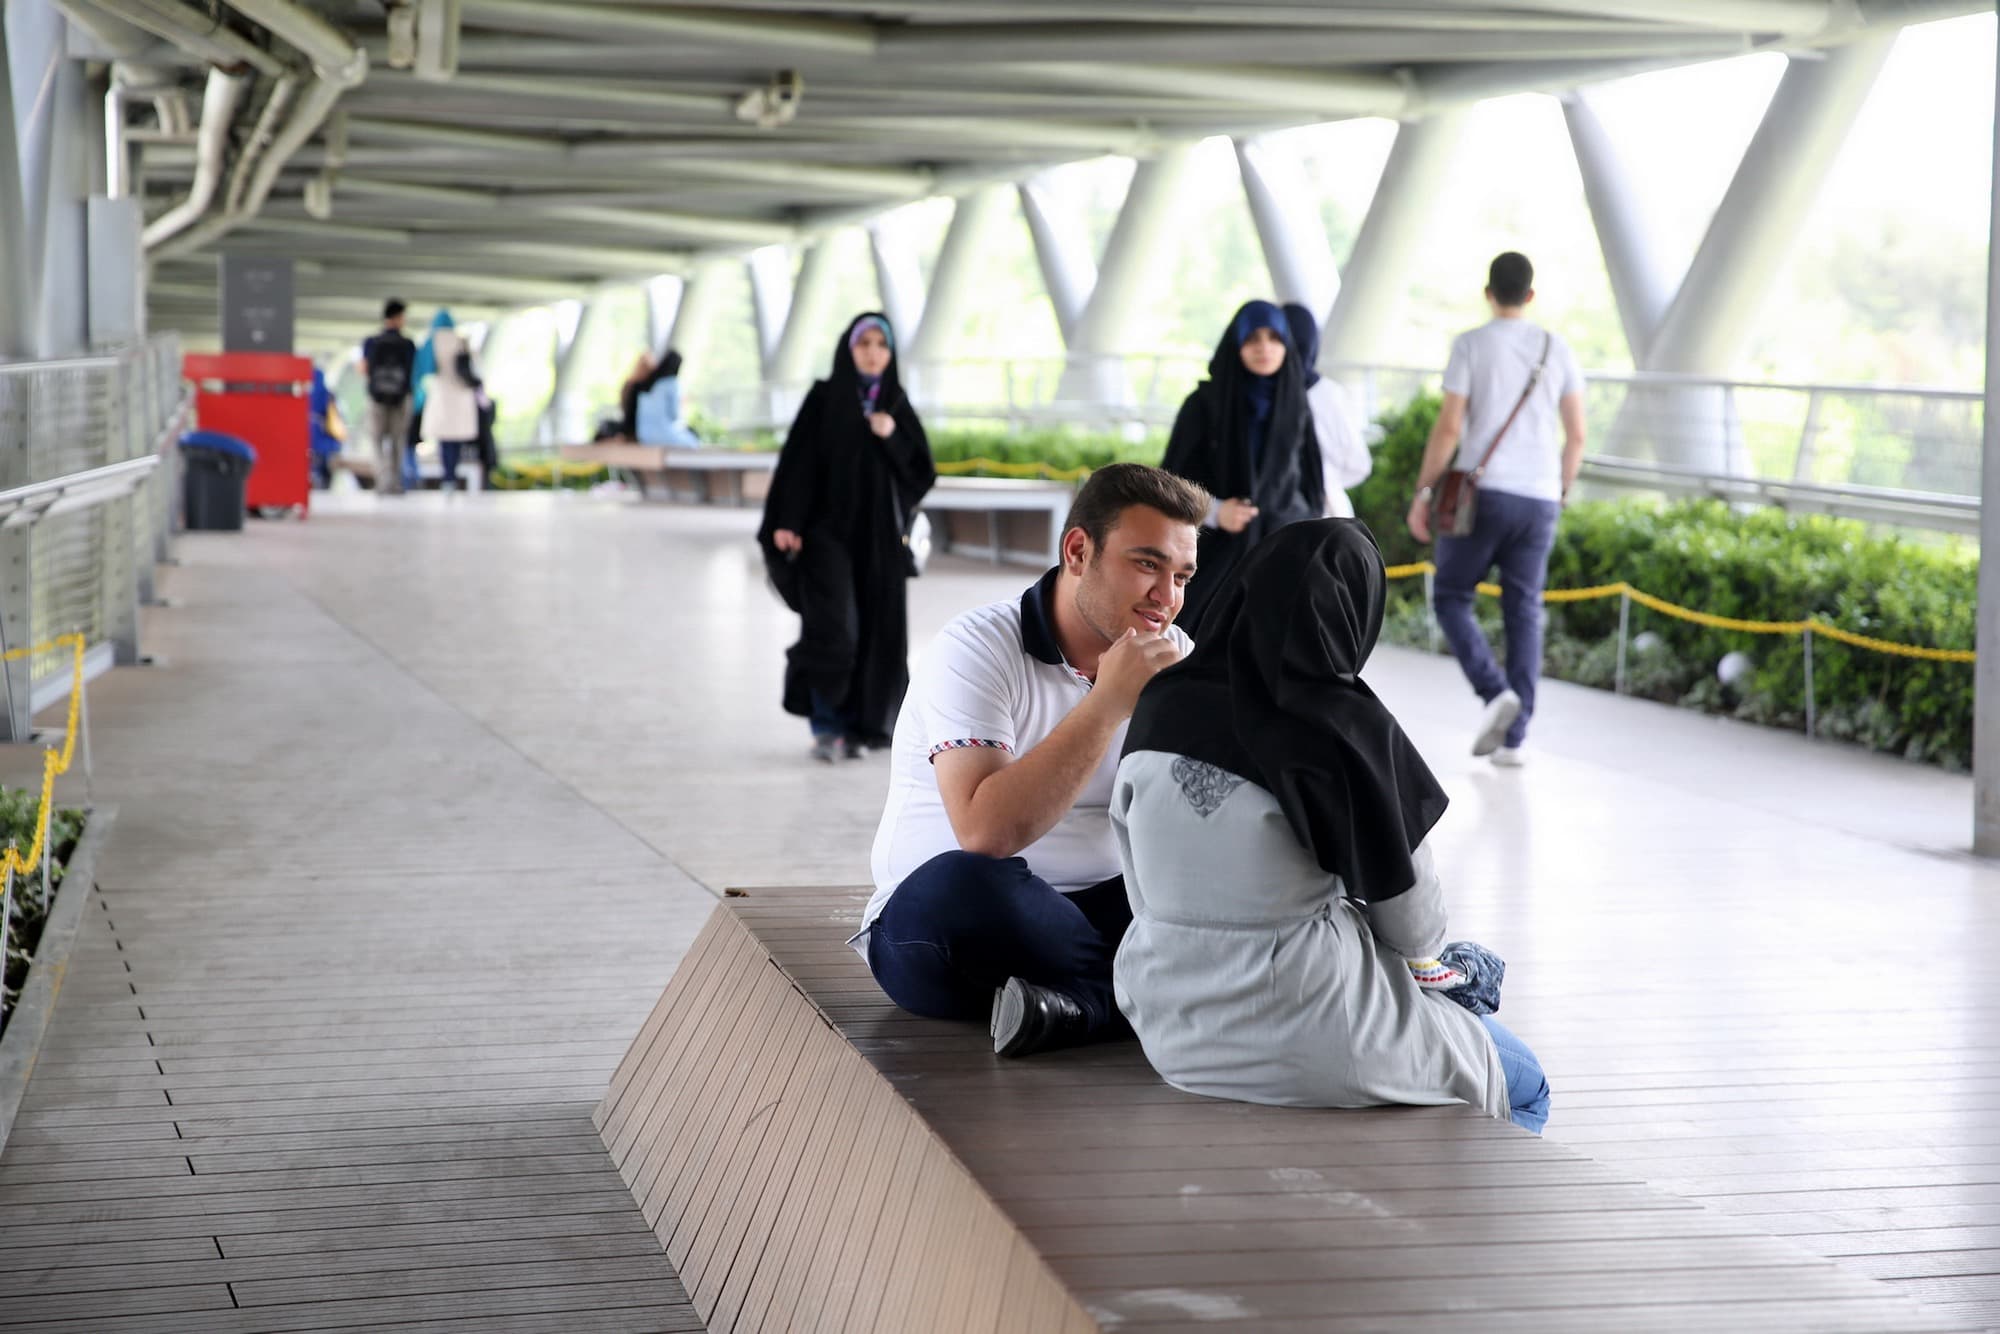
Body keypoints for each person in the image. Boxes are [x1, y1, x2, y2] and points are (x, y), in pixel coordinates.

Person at [1115, 519, 1551, 1133]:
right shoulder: (1344, 727)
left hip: (1171, 1029)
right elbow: (1414, 927)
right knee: (1524, 1083)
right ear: (1355, 610)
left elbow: (1138, 875)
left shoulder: (1159, 704)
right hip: (1314, 1027)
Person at [861, 463, 1209, 1059]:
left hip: (1102, 910)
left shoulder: (1173, 654)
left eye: (1181, 575)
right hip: (960, 924)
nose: (1167, 598)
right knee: (960, 886)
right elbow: (985, 831)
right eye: (1147, 565)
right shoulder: (975, 647)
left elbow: (1196, 820)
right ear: (1078, 550)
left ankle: (1085, 1006)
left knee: (1234, 885)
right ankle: (1145, 992)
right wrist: (1107, 703)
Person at [1406, 252, 1587, 767]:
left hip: (1481, 494)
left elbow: (1448, 429)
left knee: (1450, 595)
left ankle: (1494, 692)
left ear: (1489, 293)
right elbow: (1576, 435)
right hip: (1540, 498)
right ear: (1530, 295)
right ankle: (1515, 739)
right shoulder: (1559, 349)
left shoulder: (1471, 345)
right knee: (1524, 609)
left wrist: (1423, 493)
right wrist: (1560, 490)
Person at [758, 313, 936, 761]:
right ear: (848, 348)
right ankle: (827, 726)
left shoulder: (895, 404)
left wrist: (892, 437)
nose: (873, 352)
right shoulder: (825, 398)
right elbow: (798, 463)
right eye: (864, 343)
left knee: (878, 630)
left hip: (879, 543)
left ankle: (863, 727)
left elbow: (920, 473)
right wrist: (787, 520)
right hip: (826, 537)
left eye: (881, 344)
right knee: (833, 629)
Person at [1160, 299, 1323, 634]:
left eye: (1274, 338)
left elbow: (1310, 484)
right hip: (1213, 554)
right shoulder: (1203, 405)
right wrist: (1216, 512)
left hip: (1282, 552)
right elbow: (1170, 482)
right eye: (1252, 338)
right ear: (1236, 344)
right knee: (1199, 645)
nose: (1264, 347)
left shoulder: (1296, 406)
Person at [1281, 302, 1371, 518]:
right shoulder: (1329, 393)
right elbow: (1358, 464)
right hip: (1326, 509)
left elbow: (1358, 463)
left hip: (1318, 512)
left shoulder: (1326, 395)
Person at [416, 311, 484, 491]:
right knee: (457, 438)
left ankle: (448, 477)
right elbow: (476, 365)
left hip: (442, 394)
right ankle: (453, 473)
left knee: (444, 439)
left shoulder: (432, 341)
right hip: (461, 395)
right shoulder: (462, 340)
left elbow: (424, 368)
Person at [358, 299, 415, 497]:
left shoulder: (371, 342)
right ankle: (396, 482)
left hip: (376, 398)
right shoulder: (407, 344)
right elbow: (412, 373)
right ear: (398, 318)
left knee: (376, 440)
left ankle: (382, 481)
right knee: (398, 440)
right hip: (400, 398)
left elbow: (364, 369)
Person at [621, 348, 700, 446]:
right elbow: (674, 415)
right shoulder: (671, 383)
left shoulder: (646, 385)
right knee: (693, 440)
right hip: (659, 436)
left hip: (642, 435)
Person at [307, 366, 344, 491]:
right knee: (325, 474)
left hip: (308, 442)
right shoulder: (328, 395)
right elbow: (337, 418)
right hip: (326, 443)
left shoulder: (304, 395)